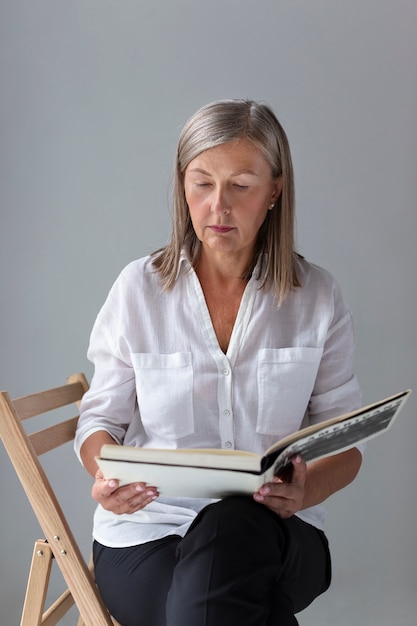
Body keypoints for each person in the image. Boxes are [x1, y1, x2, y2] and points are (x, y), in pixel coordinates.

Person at [75, 99, 363, 626]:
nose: (217, 206)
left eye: (241, 185)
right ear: (182, 185)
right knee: (226, 605)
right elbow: (100, 422)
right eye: (201, 183)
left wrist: (306, 489)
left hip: (279, 531)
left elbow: (345, 444)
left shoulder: (317, 295)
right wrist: (105, 476)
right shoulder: (138, 289)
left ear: (275, 189)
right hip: (148, 532)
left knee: (231, 527)